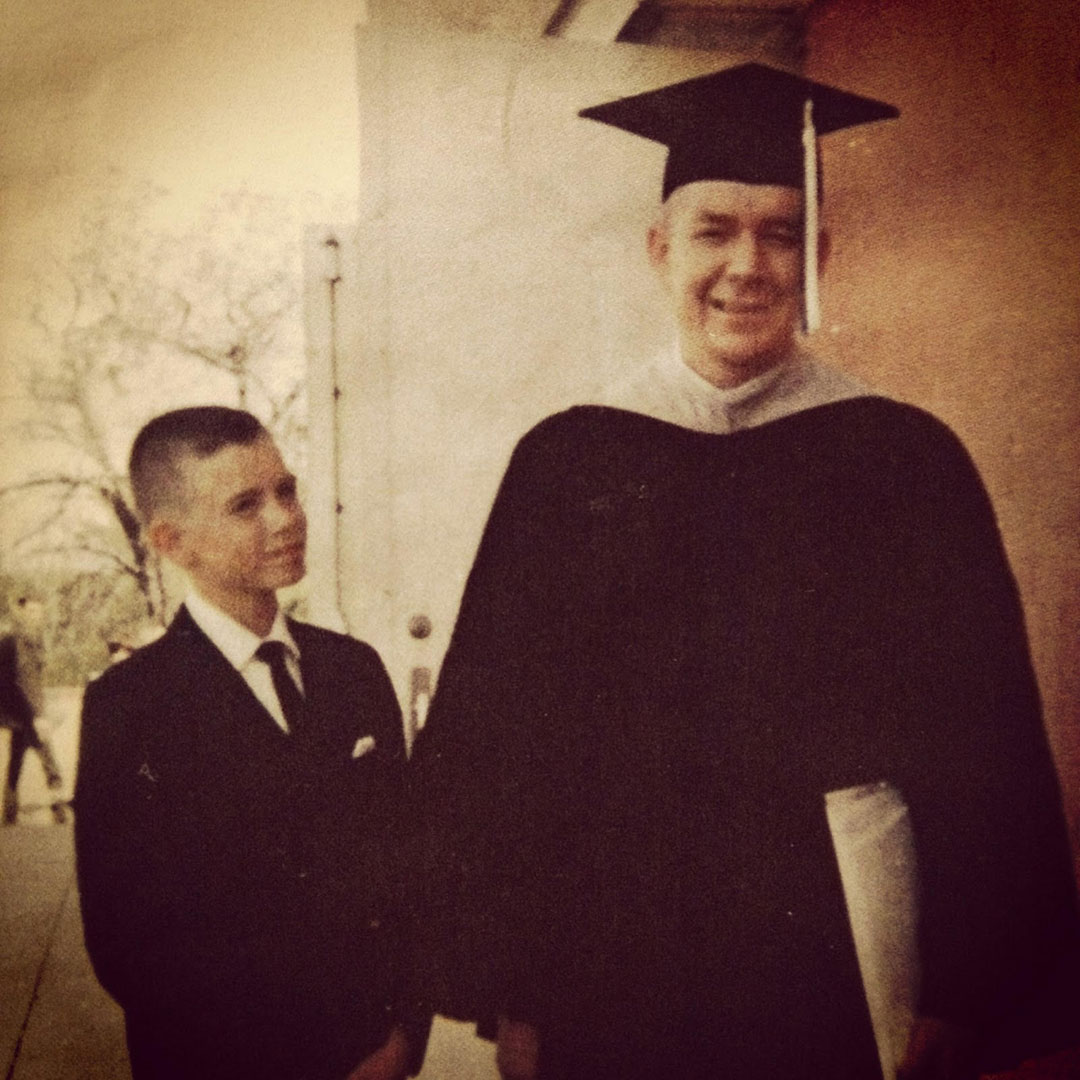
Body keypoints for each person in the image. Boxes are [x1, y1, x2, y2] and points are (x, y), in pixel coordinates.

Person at [411, 64, 1080, 1080]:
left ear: (819, 256)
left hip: (843, 939)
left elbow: (984, 734)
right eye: (715, 230)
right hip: (613, 944)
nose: (747, 264)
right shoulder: (570, 461)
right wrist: (515, 989)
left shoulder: (906, 458)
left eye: (780, 233)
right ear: (657, 249)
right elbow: (502, 742)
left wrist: (962, 987)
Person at [74, 407, 428, 1080]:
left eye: (286, 490)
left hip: (374, 1058)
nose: (286, 517)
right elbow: (130, 947)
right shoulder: (130, 709)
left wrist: (401, 1038)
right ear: (173, 541)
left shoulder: (353, 670)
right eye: (245, 505)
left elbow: (406, 867)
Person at [1, 587, 65, 826]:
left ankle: (9, 809)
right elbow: (22, 680)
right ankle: (57, 804)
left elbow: (33, 681)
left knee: (17, 757)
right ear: (21, 612)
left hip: (22, 711)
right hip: (25, 711)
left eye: (38, 611)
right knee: (47, 755)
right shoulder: (19, 640)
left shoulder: (33, 639)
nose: (34, 616)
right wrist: (37, 715)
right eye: (29, 611)